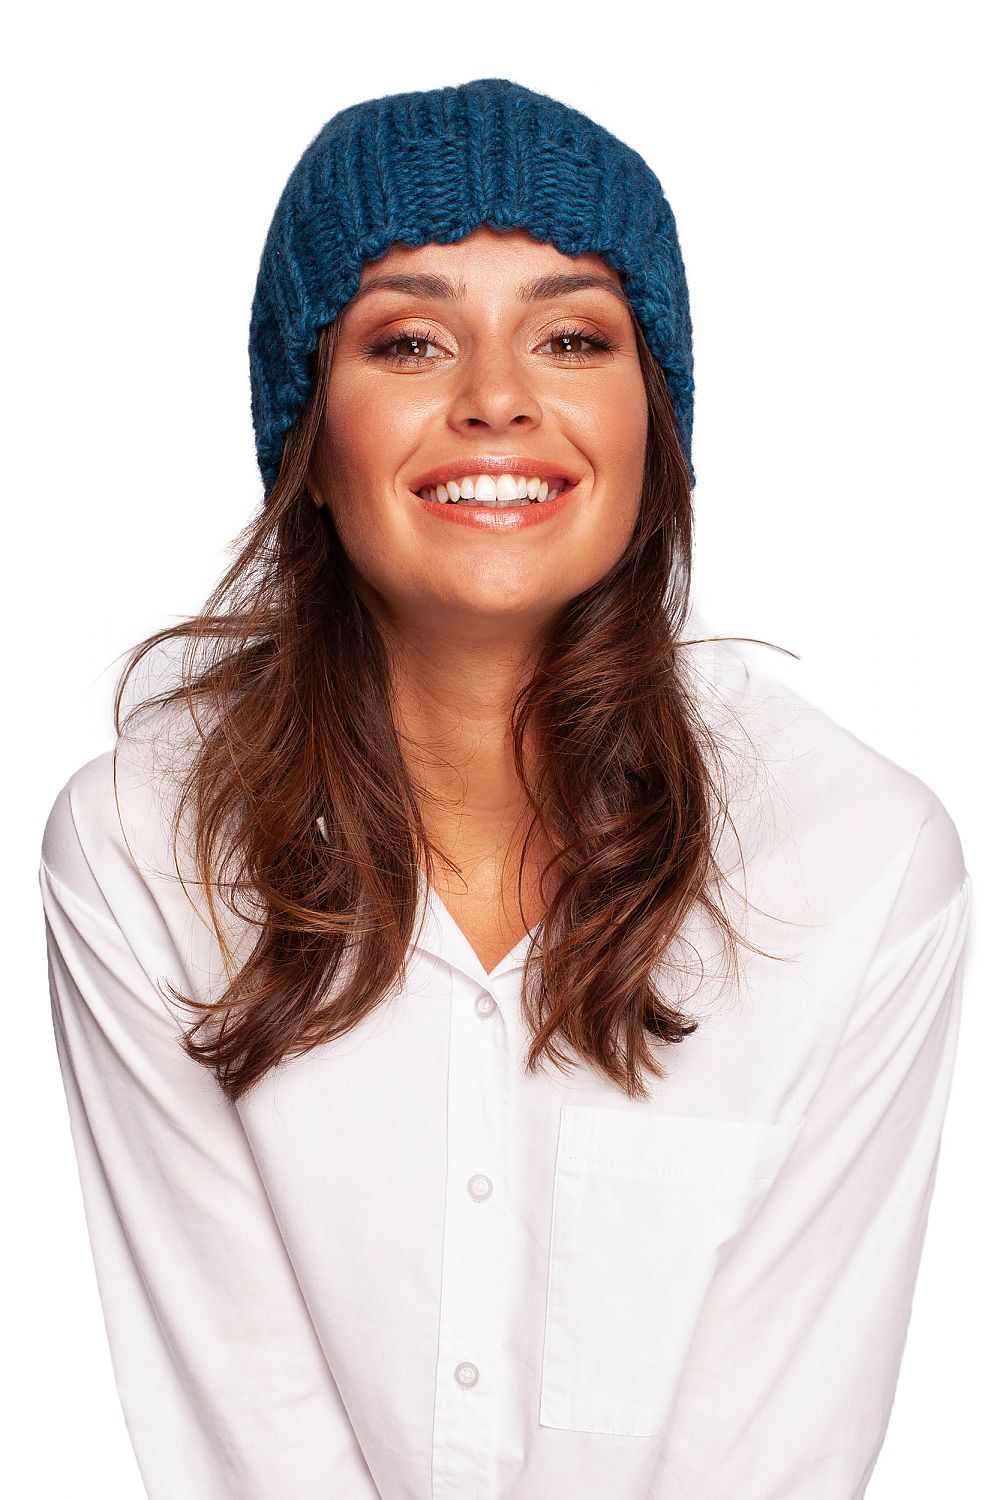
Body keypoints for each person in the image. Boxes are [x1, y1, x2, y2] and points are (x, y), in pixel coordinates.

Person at [38, 77, 972, 1500]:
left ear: (654, 418)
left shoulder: (861, 865)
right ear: (308, 430)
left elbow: (774, 1452)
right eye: (409, 340)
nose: (494, 399)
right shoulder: (136, 847)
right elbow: (245, 1434)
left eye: (573, 337)